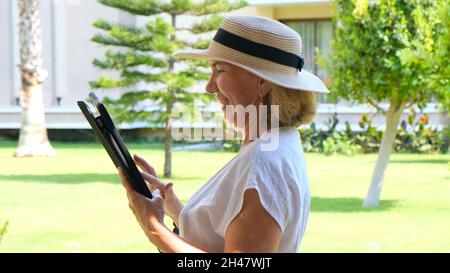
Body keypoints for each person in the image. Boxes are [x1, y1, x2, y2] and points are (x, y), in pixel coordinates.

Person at [118, 15, 329, 253]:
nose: (209, 87)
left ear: (263, 83)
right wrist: (175, 209)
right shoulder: (278, 142)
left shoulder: (262, 163)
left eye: (220, 70)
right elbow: (226, 231)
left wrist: (153, 227)